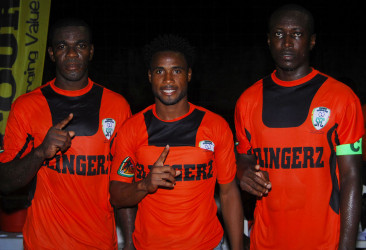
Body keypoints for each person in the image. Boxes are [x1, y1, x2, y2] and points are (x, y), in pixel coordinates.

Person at [234, 4, 364, 250]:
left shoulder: (341, 98)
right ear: (269, 40)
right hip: (265, 241)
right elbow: (243, 158)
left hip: (324, 241)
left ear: (312, 41)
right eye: (279, 34)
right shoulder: (248, 101)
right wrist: (244, 174)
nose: (287, 43)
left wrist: (346, 246)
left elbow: (351, 177)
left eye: (296, 34)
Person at [0, 18, 133, 249]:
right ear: (51, 53)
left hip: (99, 243)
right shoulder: (26, 106)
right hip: (44, 243)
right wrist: (40, 152)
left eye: (80, 46)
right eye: (63, 47)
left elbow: (123, 180)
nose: (72, 54)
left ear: (91, 51)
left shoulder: (117, 106)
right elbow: (5, 182)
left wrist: (131, 242)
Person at [109, 34, 244, 249]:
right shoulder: (132, 129)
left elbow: (228, 193)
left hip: (207, 244)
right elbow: (116, 196)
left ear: (189, 75)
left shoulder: (215, 126)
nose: (168, 79)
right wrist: (145, 184)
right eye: (160, 71)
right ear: (150, 76)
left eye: (177, 71)